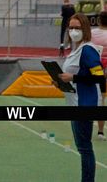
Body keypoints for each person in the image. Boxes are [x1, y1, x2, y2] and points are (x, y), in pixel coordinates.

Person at [56, 13, 106, 182]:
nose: (73, 31)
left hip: (85, 103)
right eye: (71, 28)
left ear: (84, 29)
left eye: (77, 28)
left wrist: (73, 78)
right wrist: (61, 82)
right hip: (75, 102)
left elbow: (99, 77)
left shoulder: (88, 50)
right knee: (82, 147)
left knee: (85, 148)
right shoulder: (75, 50)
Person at [90, 11, 107, 140]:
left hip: (96, 69)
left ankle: (100, 131)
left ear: (98, 21)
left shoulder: (92, 33)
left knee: (100, 100)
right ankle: (100, 131)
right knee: (102, 101)